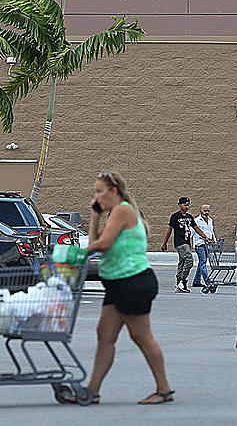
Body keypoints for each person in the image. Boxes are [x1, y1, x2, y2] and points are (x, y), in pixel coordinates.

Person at [85, 171, 173, 405]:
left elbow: (101, 246)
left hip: (133, 282)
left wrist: (75, 255)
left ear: (113, 191)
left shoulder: (123, 210)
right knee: (105, 335)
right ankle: (91, 391)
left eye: (99, 191)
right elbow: (95, 241)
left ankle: (163, 389)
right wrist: (94, 217)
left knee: (141, 336)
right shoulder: (114, 214)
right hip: (117, 284)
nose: (96, 196)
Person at [161, 196, 211, 293]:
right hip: (179, 243)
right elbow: (169, 230)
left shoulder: (189, 217)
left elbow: (196, 228)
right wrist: (165, 243)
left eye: (188, 205)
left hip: (187, 242)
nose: (186, 207)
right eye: (184, 205)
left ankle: (179, 283)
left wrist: (206, 237)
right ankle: (182, 282)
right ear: (179, 205)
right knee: (189, 260)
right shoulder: (175, 216)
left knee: (182, 262)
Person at [191, 204, 216, 288]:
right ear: (200, 211)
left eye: (208, 211)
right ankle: (207, 281)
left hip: (208, 245)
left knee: (202, 262)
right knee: (203, 262)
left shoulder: (210, 220)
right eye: (205, 211)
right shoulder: (196, 220)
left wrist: (213, 241)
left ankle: (196, 281)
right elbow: (191, 232)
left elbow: (211, 232)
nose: (207, 212)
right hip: (199, 244)